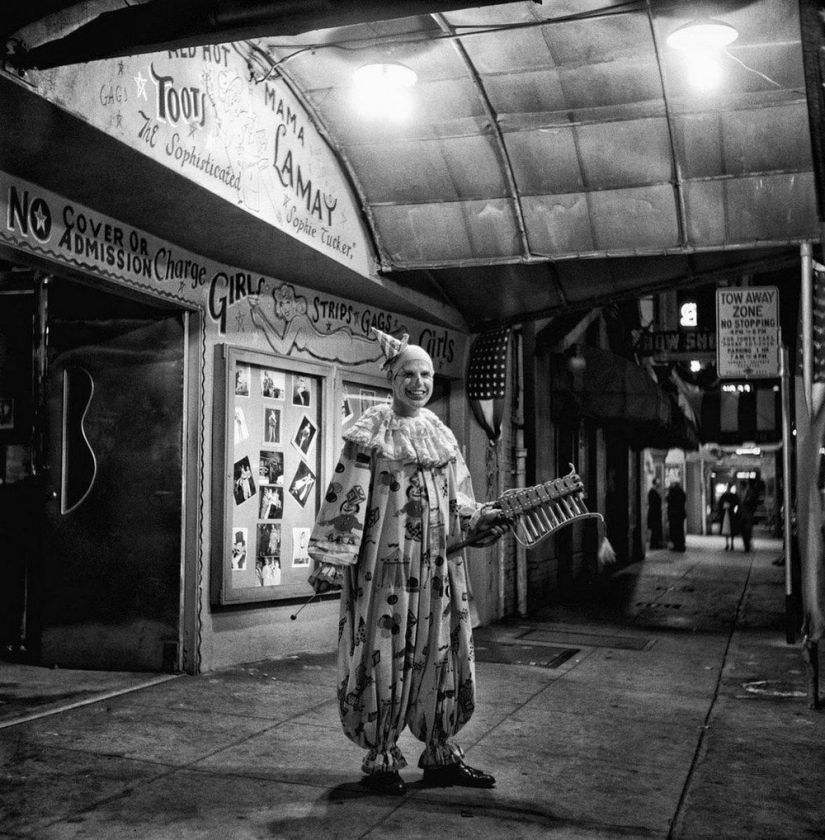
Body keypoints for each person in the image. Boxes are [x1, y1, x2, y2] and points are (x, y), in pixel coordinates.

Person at [307, 328, 508, 796]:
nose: (419, 383)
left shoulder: (441, 435)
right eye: (409, 374)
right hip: (384, 571)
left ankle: (440, 753)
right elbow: (347, 499)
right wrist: (331, 560)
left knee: (443, 655)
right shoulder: (369, 436)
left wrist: (481, 518)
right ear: (392, 377)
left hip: (438, 570)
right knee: (382, 660)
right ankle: (380, 760)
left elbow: (458, 500)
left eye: (426, 374)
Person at [738, 480, 759, 552]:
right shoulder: (742, 493)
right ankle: (746, 545)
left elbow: (749, 502)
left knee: (747, 530)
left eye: (740, 485)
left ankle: (747, 545)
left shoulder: (749, 492)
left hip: (747, 514)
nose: (739, 487)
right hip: (743, 514)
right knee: (744, 530)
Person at [666, 480, 687, 552]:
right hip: (680, 514)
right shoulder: (681, 492)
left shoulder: (672, 492)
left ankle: (676, 545)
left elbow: (668, 500)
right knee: (680, 530)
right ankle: (681, 545)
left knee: (674, 531)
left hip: (673, 515)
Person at [718, 483, 740, 551]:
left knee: (727, 528)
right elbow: (737, 504)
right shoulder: (733, 496)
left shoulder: (724, 496)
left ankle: (729, 544)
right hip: (729, 514)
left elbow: (720, 505)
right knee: (729, 529)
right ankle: (730, 544)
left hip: (727, 514)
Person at [647, 478, 663, 549]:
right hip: (654, 514)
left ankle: (655, 544)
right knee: (655, 529)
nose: (659, 484)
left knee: (655, 529)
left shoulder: (654, 491)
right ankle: (654, 544)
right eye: (657, 482)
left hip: (655, 513)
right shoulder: (652, 491)